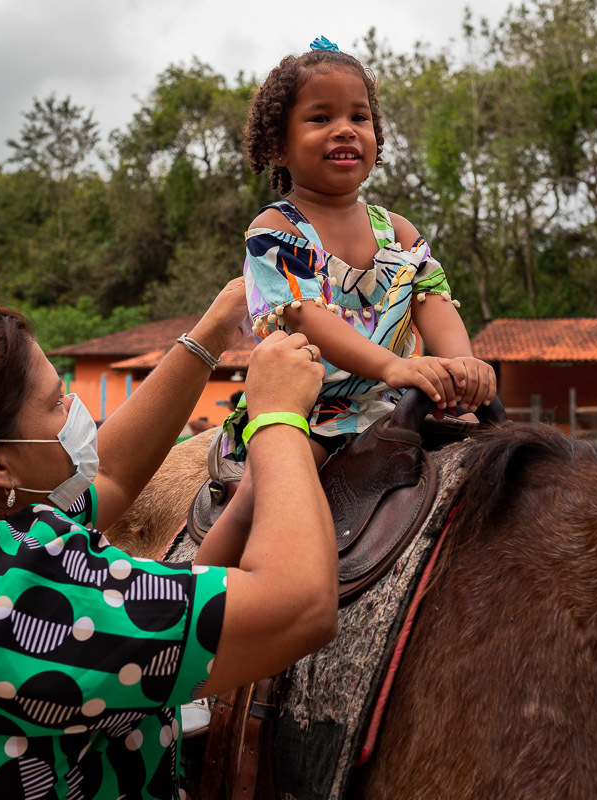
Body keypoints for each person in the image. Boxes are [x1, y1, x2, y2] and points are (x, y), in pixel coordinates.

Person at [0, 280, 336, 799]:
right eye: (54, 403)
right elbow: (298, 605)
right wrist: (276, 418)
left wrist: (212, 332)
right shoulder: (7, 601)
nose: (73, 406)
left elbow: (109, 474)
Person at [210, 36, 497, 543]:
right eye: (320, 118)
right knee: (265, 491)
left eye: (359, 118)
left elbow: (432, 302)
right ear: (278, 144)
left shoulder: (399, 230)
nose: (345, 129)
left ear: (376, 138)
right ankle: (200, 594)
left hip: (396, 396)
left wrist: (460, 365)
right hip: (310, 404)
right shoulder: (276, 230)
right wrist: (392, 364)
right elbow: (305, 315)